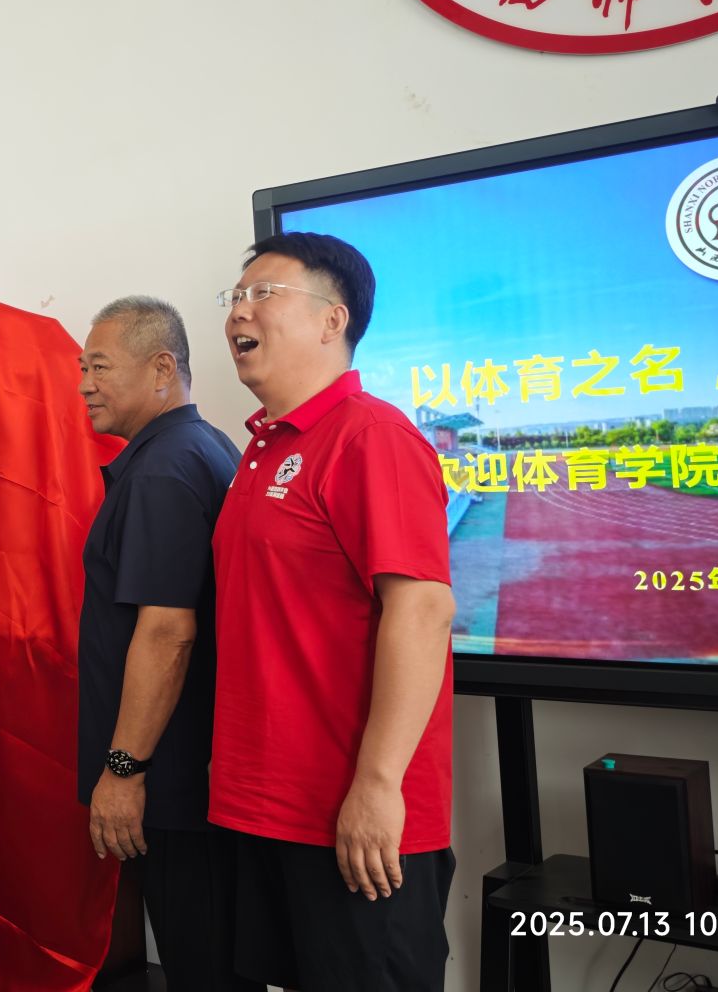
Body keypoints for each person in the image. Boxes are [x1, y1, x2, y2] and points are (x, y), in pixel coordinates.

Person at [210, 232, 457, 991]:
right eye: (235, 297)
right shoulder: (261, 450)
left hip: (355, 818)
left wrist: (378, 786)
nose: (239, 312)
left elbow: (422, 610)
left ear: (332, 320)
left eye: (264, 294)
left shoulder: (370, 436)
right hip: (267, 807)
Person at [75, 296, 253, 992]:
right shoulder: (205, 446)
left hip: (171, 780)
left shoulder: (160, 471)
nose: (85, 385)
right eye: (82, 369)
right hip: (200, 770)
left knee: (202, 965)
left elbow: (169, 632)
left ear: (160, 369)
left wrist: (123, 770)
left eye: (99, 367)